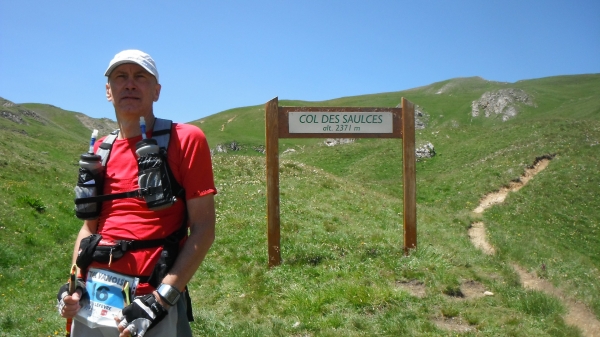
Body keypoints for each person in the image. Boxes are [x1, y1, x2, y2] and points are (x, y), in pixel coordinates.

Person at [57, 49, 216, 337]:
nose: (130, 84)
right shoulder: (100, 151)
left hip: (149, 301)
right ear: (109, 91)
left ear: (156, 91)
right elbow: (89, 228)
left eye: (140, 76)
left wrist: (162, 299)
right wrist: (75, 283)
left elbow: (204, 228)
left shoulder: (187, 139)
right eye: (120, 77)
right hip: (92, 299)